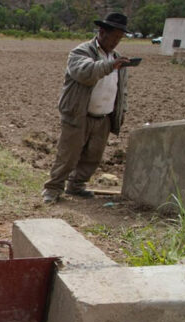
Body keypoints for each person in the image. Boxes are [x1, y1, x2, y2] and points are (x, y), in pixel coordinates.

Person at [42, 12, 131, 204]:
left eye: (119, 38)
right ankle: (53, 188)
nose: (116, 42)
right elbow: (85, 73)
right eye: (114, 37)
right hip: (78, 114)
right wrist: (110, 65)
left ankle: (76, 186)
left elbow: (121, 89)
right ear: (102, 32)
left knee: (93, 156)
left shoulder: (115, 58)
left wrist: (121, 111)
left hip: (103, 117)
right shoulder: (81, 52)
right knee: (68, 154)